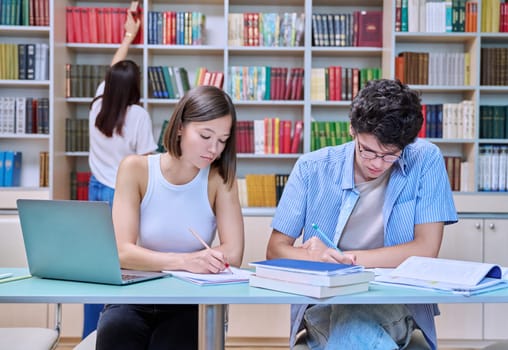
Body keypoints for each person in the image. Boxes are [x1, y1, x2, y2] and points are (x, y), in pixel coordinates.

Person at [267, 79, 458, 350]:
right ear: (353, 131)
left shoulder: (426, 159)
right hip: (325, 302)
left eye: (390, 155)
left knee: (354, 324)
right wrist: (313, 256)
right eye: (367, 151)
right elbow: (275, 249)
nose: (377, 164)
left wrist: (349, 261)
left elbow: (425, 248)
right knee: (350, 322)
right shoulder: (312, 168)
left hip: (392, 301)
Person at [95, 84, 245, 350]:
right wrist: (187, 261)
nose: (214, 149)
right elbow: (121, 252)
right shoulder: (136, 169)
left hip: (188, 299)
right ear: (179, 127)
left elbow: (233, 253)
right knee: (116, 331)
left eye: (222, 140)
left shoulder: (220, 179)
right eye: (205, 135)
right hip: (135, 293)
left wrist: (188, 263)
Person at [85, 10, 157, 338]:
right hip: (123, 196)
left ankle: (92, 335)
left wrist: (129, 36)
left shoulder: (97, 104)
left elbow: (115, 68)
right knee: (126, 268)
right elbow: (145, 162)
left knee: (95, 268)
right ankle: (118, 334)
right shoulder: (138, 116)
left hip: (94, 192)